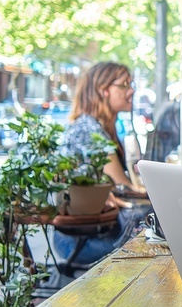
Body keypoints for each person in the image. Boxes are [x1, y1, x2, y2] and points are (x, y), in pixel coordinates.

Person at [54, 62, 148, 265]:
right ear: (103, 90)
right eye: (124, 85)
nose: (131, 91)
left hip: (91, 232)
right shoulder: (89, 130)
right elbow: (124, 186)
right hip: (81, 240)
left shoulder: (98, 127)